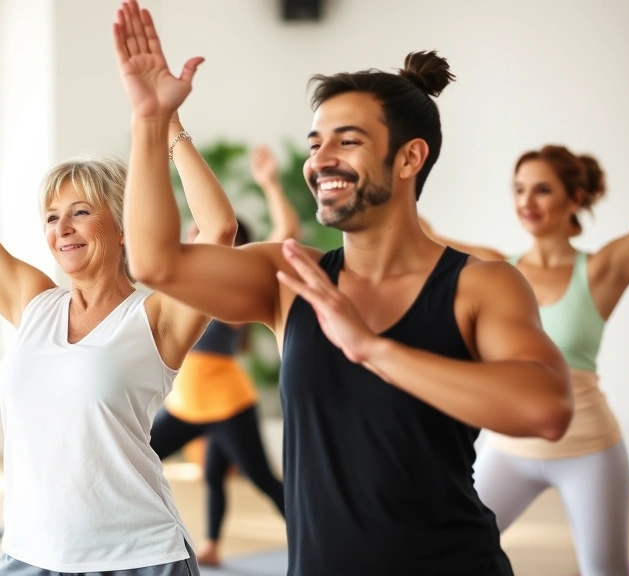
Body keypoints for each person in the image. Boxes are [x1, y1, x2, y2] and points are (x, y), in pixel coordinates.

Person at [111, 2, 573, 574]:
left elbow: (547, 409)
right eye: (314, 144)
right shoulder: (288, 278)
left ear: (409, 158)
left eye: (346, 142)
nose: (320, 160)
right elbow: (155, 263)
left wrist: (374, 349)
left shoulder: (480, 285)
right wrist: (152, 120)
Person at [0, 80, 238, 576]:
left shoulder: (157, 316)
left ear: (123, 227)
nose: (62, 229)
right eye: (52, 217)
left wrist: (169, 124)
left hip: (139, 557)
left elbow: (218, 230)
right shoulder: (33, 301)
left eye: (81, 213)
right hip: (29, 556)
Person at [421, 145, 629, 576]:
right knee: (444, 553)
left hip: (589, 450)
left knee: (605, 571)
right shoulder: (494, 269)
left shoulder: (600, 271)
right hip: (508, 451)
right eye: (519, 189)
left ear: (575, 199)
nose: (526, 201)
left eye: (542, 190)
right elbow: (421, 232)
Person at [149, 144, 296, 566]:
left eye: (198, 231)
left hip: (227, 403)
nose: (192, 236)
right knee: (199, 470)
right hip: (187, 404)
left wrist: (270, 184)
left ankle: (313, 538)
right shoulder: (183, 280)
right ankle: (210, 546)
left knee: (263, 481)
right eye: (192, 230)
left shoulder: (234, 282)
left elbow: (286, 232)